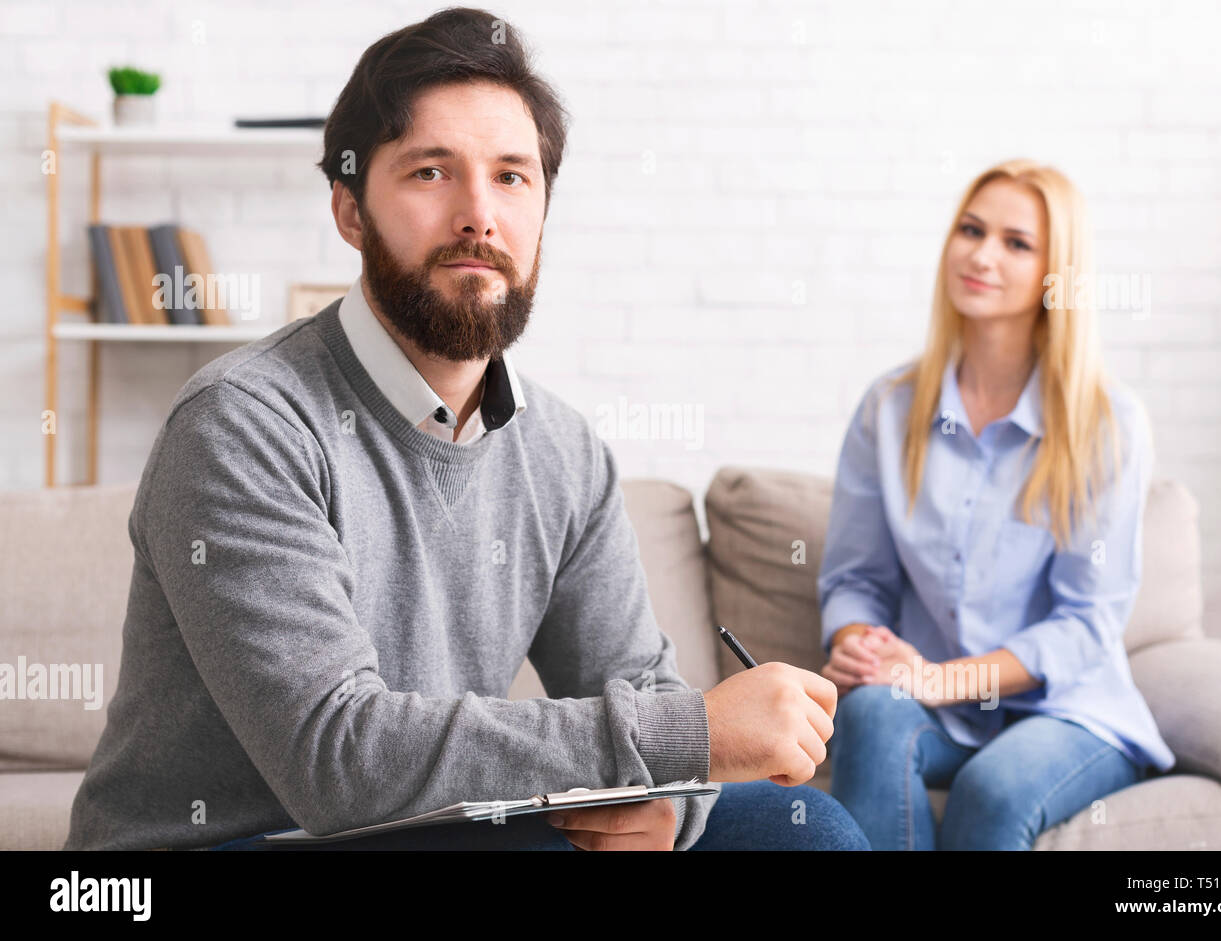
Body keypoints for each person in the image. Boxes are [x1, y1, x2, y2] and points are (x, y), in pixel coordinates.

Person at [64, 8, 867, 853]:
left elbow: (640, 690)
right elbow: (340, 761)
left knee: (799, 829)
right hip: (227, 845)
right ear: (349, 209)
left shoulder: (563, 452)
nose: (478, 214)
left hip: (437, 829)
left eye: (512, 177)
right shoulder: (242, 423)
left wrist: (667, 805)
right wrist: (681, 738)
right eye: (430, 172)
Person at [817, 158, 1175, 851]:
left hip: (1067, 708)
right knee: (867, 711)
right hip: (938, 705)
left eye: (1017, 242)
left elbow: (1085, 622)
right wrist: (857, 643)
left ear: (1056, 272)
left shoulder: (1107, 423)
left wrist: (938, 677)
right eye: (971, 229)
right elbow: (857, 579)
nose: (981, 254)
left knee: (993, 788)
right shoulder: (890, 408)